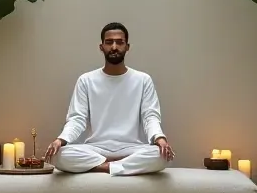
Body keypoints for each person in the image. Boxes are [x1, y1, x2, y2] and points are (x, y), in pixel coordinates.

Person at [45, 22, 175, 175]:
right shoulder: (86, 80)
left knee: (160, 156)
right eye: (109, 42)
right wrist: (60, 140)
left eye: (120, 42)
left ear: (127, 46)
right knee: (59, 155)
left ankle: (103, 166)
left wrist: (160, 138)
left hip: (131, 147)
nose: (114, 47)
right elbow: (77, 119)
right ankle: (117, 166)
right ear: (101, 47)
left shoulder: (143, 80)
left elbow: (150, 116)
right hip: (96, 148)